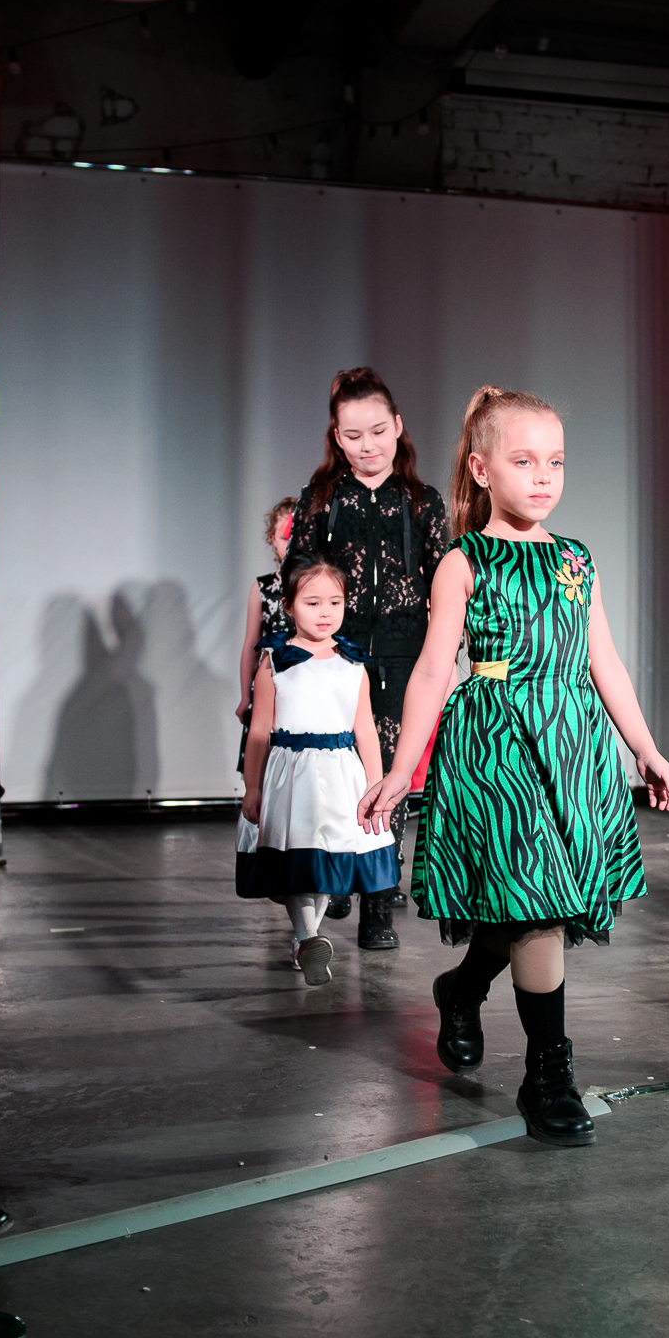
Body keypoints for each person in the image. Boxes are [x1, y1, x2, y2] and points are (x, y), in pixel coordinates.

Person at [359, 385, 669, 1148]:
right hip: (497, 743)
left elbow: (604, 662)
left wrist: (646, 748)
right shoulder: (463, 561)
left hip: (569, 744)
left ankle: (461, 989)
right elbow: (433, 671)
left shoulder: (575, 559)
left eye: (556, 462)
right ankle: (549, 1075)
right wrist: (403, 771)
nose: (544, 476)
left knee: (532, 904)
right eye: (524, 461)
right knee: (536, 905)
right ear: (481, 469)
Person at [286, 367, 449, 949]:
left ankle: (378, 903)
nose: (368, 445)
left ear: (398, 427)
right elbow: (296, 572)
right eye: (353, 435)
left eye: (378, 431)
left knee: (390, 779)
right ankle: (340, 875)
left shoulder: (423, 502)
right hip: (339, 658)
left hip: (406, 660)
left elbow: (446, 584)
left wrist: (446, 656)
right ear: (337, 437)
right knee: (340, 773)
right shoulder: (323, 498)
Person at [236, 557, 398, 987]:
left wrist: (376, 784)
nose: (325, 612)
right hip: (291, 774)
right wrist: (252, 786)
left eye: (334, 602)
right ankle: (308, 937)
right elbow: (259, 731)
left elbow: (366, 729)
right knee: (297, 859)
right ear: (289, 606)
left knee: (327, 861)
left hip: (340, 772)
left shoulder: (352, 662)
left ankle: (306, 940)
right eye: (312, 603)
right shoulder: (275, 660)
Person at [234, 497, 297, 773]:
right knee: (264, 764)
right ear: (273, 538)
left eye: (297, 535)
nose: (291, 543)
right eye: (284, 537)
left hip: (307, 682)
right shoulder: (263, 588)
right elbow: (251, 645)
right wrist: (245, 697)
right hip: (270, 683)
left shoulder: (320, 585)